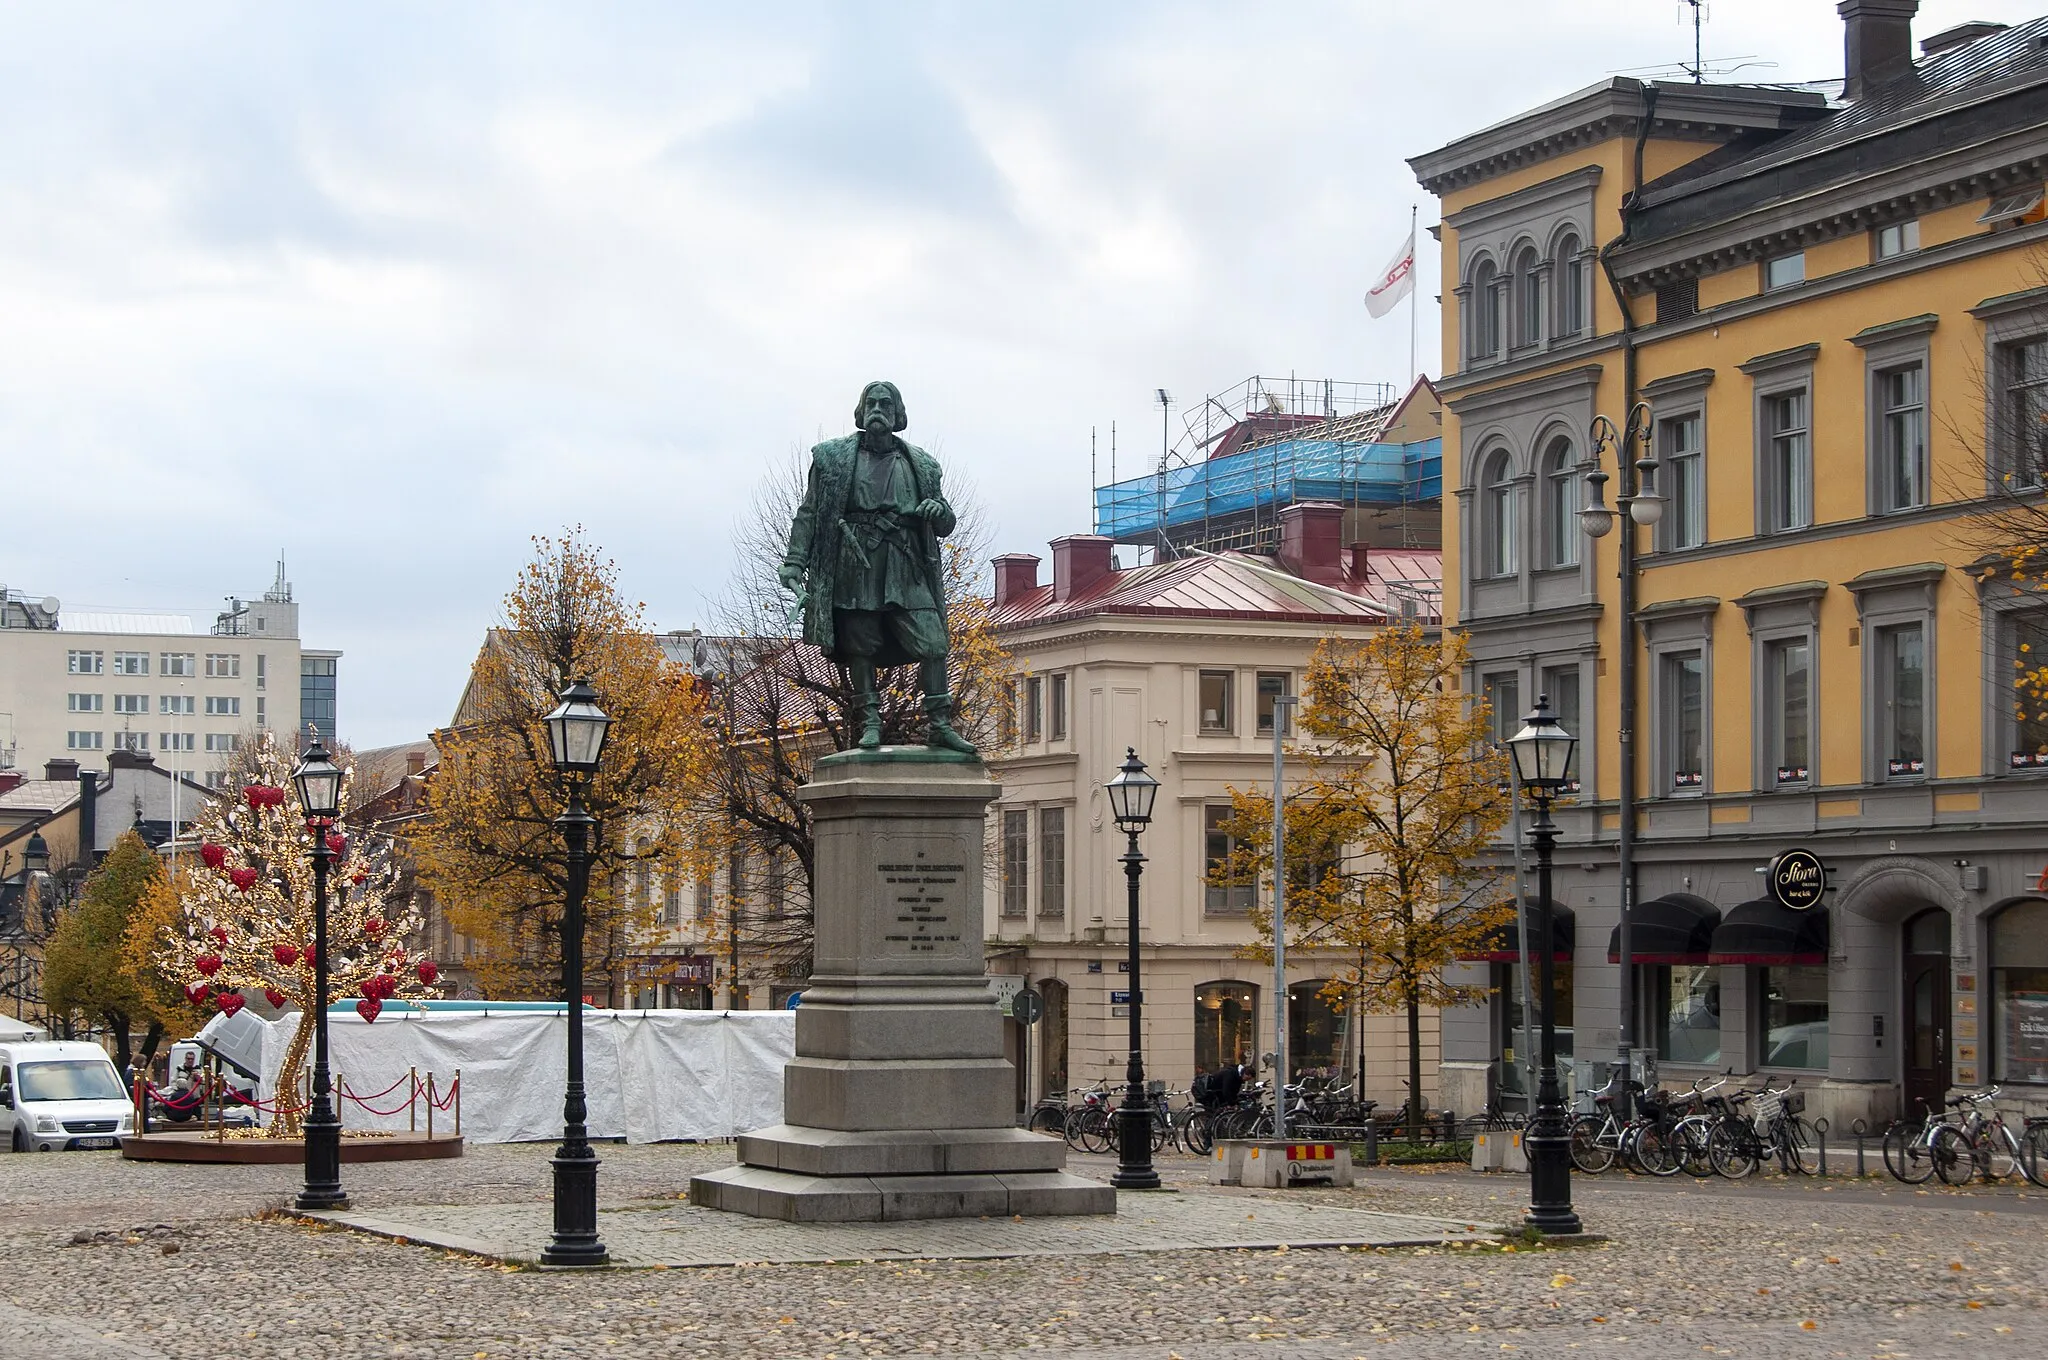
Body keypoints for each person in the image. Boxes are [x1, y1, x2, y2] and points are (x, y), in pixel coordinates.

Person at [779, 380, 976, 754]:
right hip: (856, 562)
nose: (878, 410)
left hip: (905, 562)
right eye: (872, 403)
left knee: (934, 643)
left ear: (897, 413)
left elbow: (945, 522)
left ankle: (939, 724)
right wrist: (794, 562)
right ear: (861, 410)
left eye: (886, 404)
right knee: (861, 644)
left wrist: (939, 511)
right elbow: (809, 513)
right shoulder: (833, 459)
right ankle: (870, 721)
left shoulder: (922, 464)